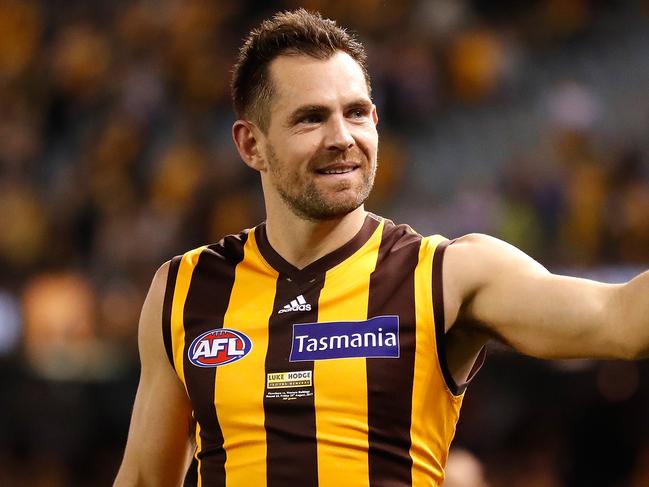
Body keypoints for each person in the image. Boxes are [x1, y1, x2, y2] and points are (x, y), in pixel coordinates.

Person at [113, 9, 648, 487]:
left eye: (358, 112)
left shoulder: (446, 275)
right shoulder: (185, 288)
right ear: (252, 144)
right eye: (311, 117)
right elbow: (143, 478)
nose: (343, 136)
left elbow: (621, 320)